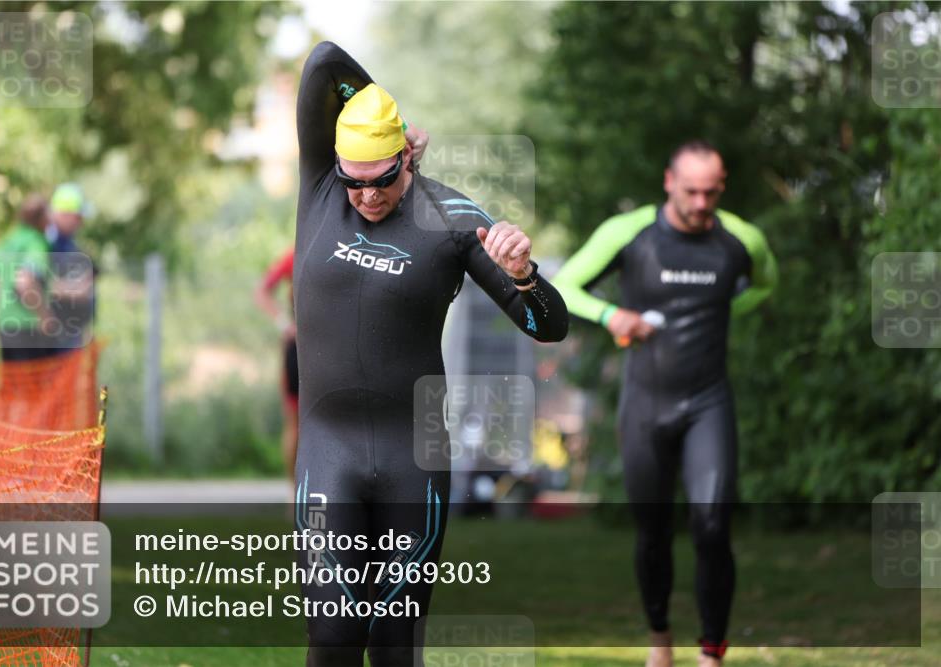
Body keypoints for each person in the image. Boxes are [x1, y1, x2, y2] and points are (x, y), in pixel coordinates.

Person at [293, 41, 569, 666]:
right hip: (327, 453)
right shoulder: (318, 190)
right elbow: (322, 64)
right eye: (353, 182)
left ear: (404, 159)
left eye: (382, 180)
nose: (365, 196)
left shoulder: (450, 219)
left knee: (395, 644)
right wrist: (376, 103)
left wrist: (523, 273)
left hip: (411, 461)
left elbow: (549, 325)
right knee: (333, 636)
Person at [553, 141, 777, 667]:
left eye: (712, 192)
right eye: (691, 191)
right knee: (653, 533)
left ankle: (711, 655)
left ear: (722, 188)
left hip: (708, 403)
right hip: (646, 405)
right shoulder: (627, 233)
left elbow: (766, 287)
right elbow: (564, 285)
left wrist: (727, 310)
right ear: (668, 182)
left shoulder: (742, 239)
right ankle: (660, 643)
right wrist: (613, 317)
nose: (701, 203)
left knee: (713, 526)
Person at [0, 194, 57, 361]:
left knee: (11, 382)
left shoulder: (10, 239)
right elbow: (25, 281)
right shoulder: (36, 242)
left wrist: (0, 298)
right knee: (33, 384)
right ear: (42, 218)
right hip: (28, 326)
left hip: (4, 322)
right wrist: (44, 315)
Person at [255, 248, 299, 491]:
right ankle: (294, 494)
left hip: (332, 347)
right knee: (295, 422)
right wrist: (284, 324)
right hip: (298, 348)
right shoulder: (294, 254)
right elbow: (262, 290)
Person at [45, 182, 96, 353]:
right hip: (49, 337)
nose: (80, 223)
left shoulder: (69, 244)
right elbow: (38, 283)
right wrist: (74, 289)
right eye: (77, 217)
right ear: (64, 214)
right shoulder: (45, 242)